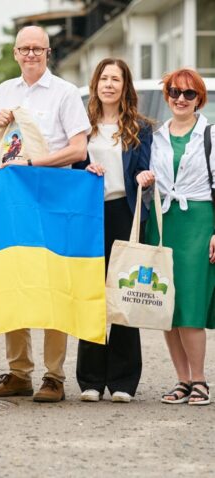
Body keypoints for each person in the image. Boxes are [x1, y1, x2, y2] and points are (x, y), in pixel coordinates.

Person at [0, 26, 90, 403]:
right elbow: (0, 145)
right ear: (15, 53)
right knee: (14, 282)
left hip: (52, 198)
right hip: (12, 201)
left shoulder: (65, 93)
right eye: (24, 49)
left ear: (48, 52)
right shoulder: (4, 91)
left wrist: (35, 162)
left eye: (37, 49)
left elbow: (78, 149)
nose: (31, 54)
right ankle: (18, 372)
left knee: (51, 285)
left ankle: (54, 376)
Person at [75, 58, 153, 403]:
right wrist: (83, 167)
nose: (109, 84)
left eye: (115, 79)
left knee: (124, 294)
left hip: (124, 212)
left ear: (125, 86)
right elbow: (70, 165)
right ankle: (90, 380)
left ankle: (123, 381)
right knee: (91, 294)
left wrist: (143, 178)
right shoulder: (82, 125)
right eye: (104, 78)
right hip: (89, 216)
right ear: (96, 84)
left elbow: (148, 168)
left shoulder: (140, 127)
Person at [139, 68, 215, 406]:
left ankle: (199, 380)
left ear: (200, 98)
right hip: (163, 220)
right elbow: (147, 180)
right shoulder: (156, 136)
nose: (180, 99)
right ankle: (182, 380)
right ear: (167, 95)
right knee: (165, 305)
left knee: (191, 304)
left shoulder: (211, 134)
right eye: (174, 92)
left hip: (199, 223)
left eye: (189, 94)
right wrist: (144, 179)